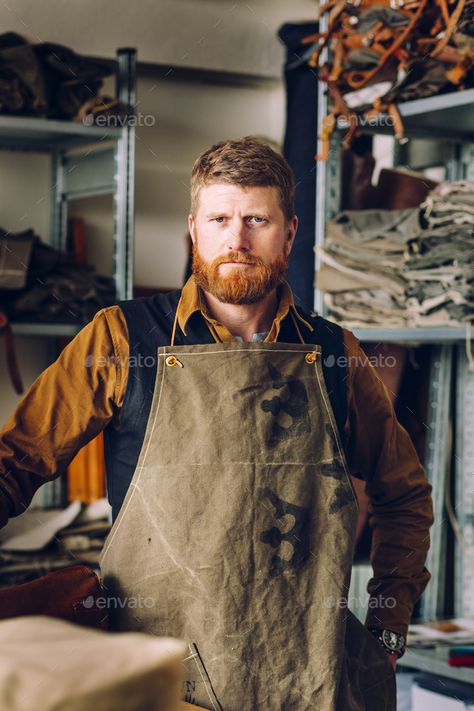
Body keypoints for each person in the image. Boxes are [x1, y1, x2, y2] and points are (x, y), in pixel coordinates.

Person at [0, 137, 433, 711]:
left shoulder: (336, 353)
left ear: (291, 232)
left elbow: (403, 494)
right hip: (157, 681)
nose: (237, 239)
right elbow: (16, 462)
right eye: (220, 218)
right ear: (193, 230)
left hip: (307, 679)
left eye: (258, 219)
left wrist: (387, 624)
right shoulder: (122, 338)